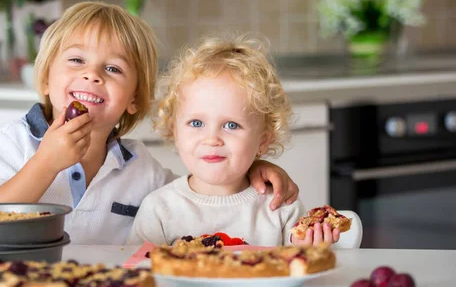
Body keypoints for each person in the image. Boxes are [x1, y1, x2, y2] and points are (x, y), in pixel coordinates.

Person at [0, 2, 299, 244]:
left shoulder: (142, 168)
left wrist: (254, 166)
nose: (91, 75)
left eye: (112, 69)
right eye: (76, 60)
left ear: (134, 100)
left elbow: (203, 185)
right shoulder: (15, 141)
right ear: (45, 80)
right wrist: (45, 163)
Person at [127, 33, 341, 246]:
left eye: (231, 125)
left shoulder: (280, 206)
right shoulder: (159, 209)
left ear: (263, 140)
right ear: (174, 131)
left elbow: (298, 266)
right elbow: (138, 272)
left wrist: (310, 247)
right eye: (196, 123)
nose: (212, 139)